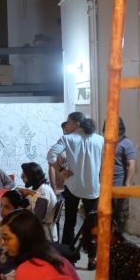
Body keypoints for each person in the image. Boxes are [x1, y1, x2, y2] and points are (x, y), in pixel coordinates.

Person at [47, 111, 104, 270]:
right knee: (92, 225)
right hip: (93, 188)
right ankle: (92, 259)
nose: (66, 125)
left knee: (69, 222)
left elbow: (51, 155)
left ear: (77, 124)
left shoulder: (67, 138)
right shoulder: (100, 139)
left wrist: (60, 170)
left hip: (72, 187)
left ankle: (68, 259)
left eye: (68, 122)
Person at [17, 162, 58, 241]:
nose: (21, 177)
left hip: (44, 236)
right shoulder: (40, 188)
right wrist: (28, 193)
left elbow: (36, 219)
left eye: (24, 175)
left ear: (32, 177)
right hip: (40, 229)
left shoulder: (44, 192)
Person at [111, 117, 137, 232]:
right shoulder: (106, 142)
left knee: (120, 214)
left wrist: (127, 183)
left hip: (119, 184)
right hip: (105, 185)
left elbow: (131, 164)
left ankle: (120, 238)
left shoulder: (126, 143)